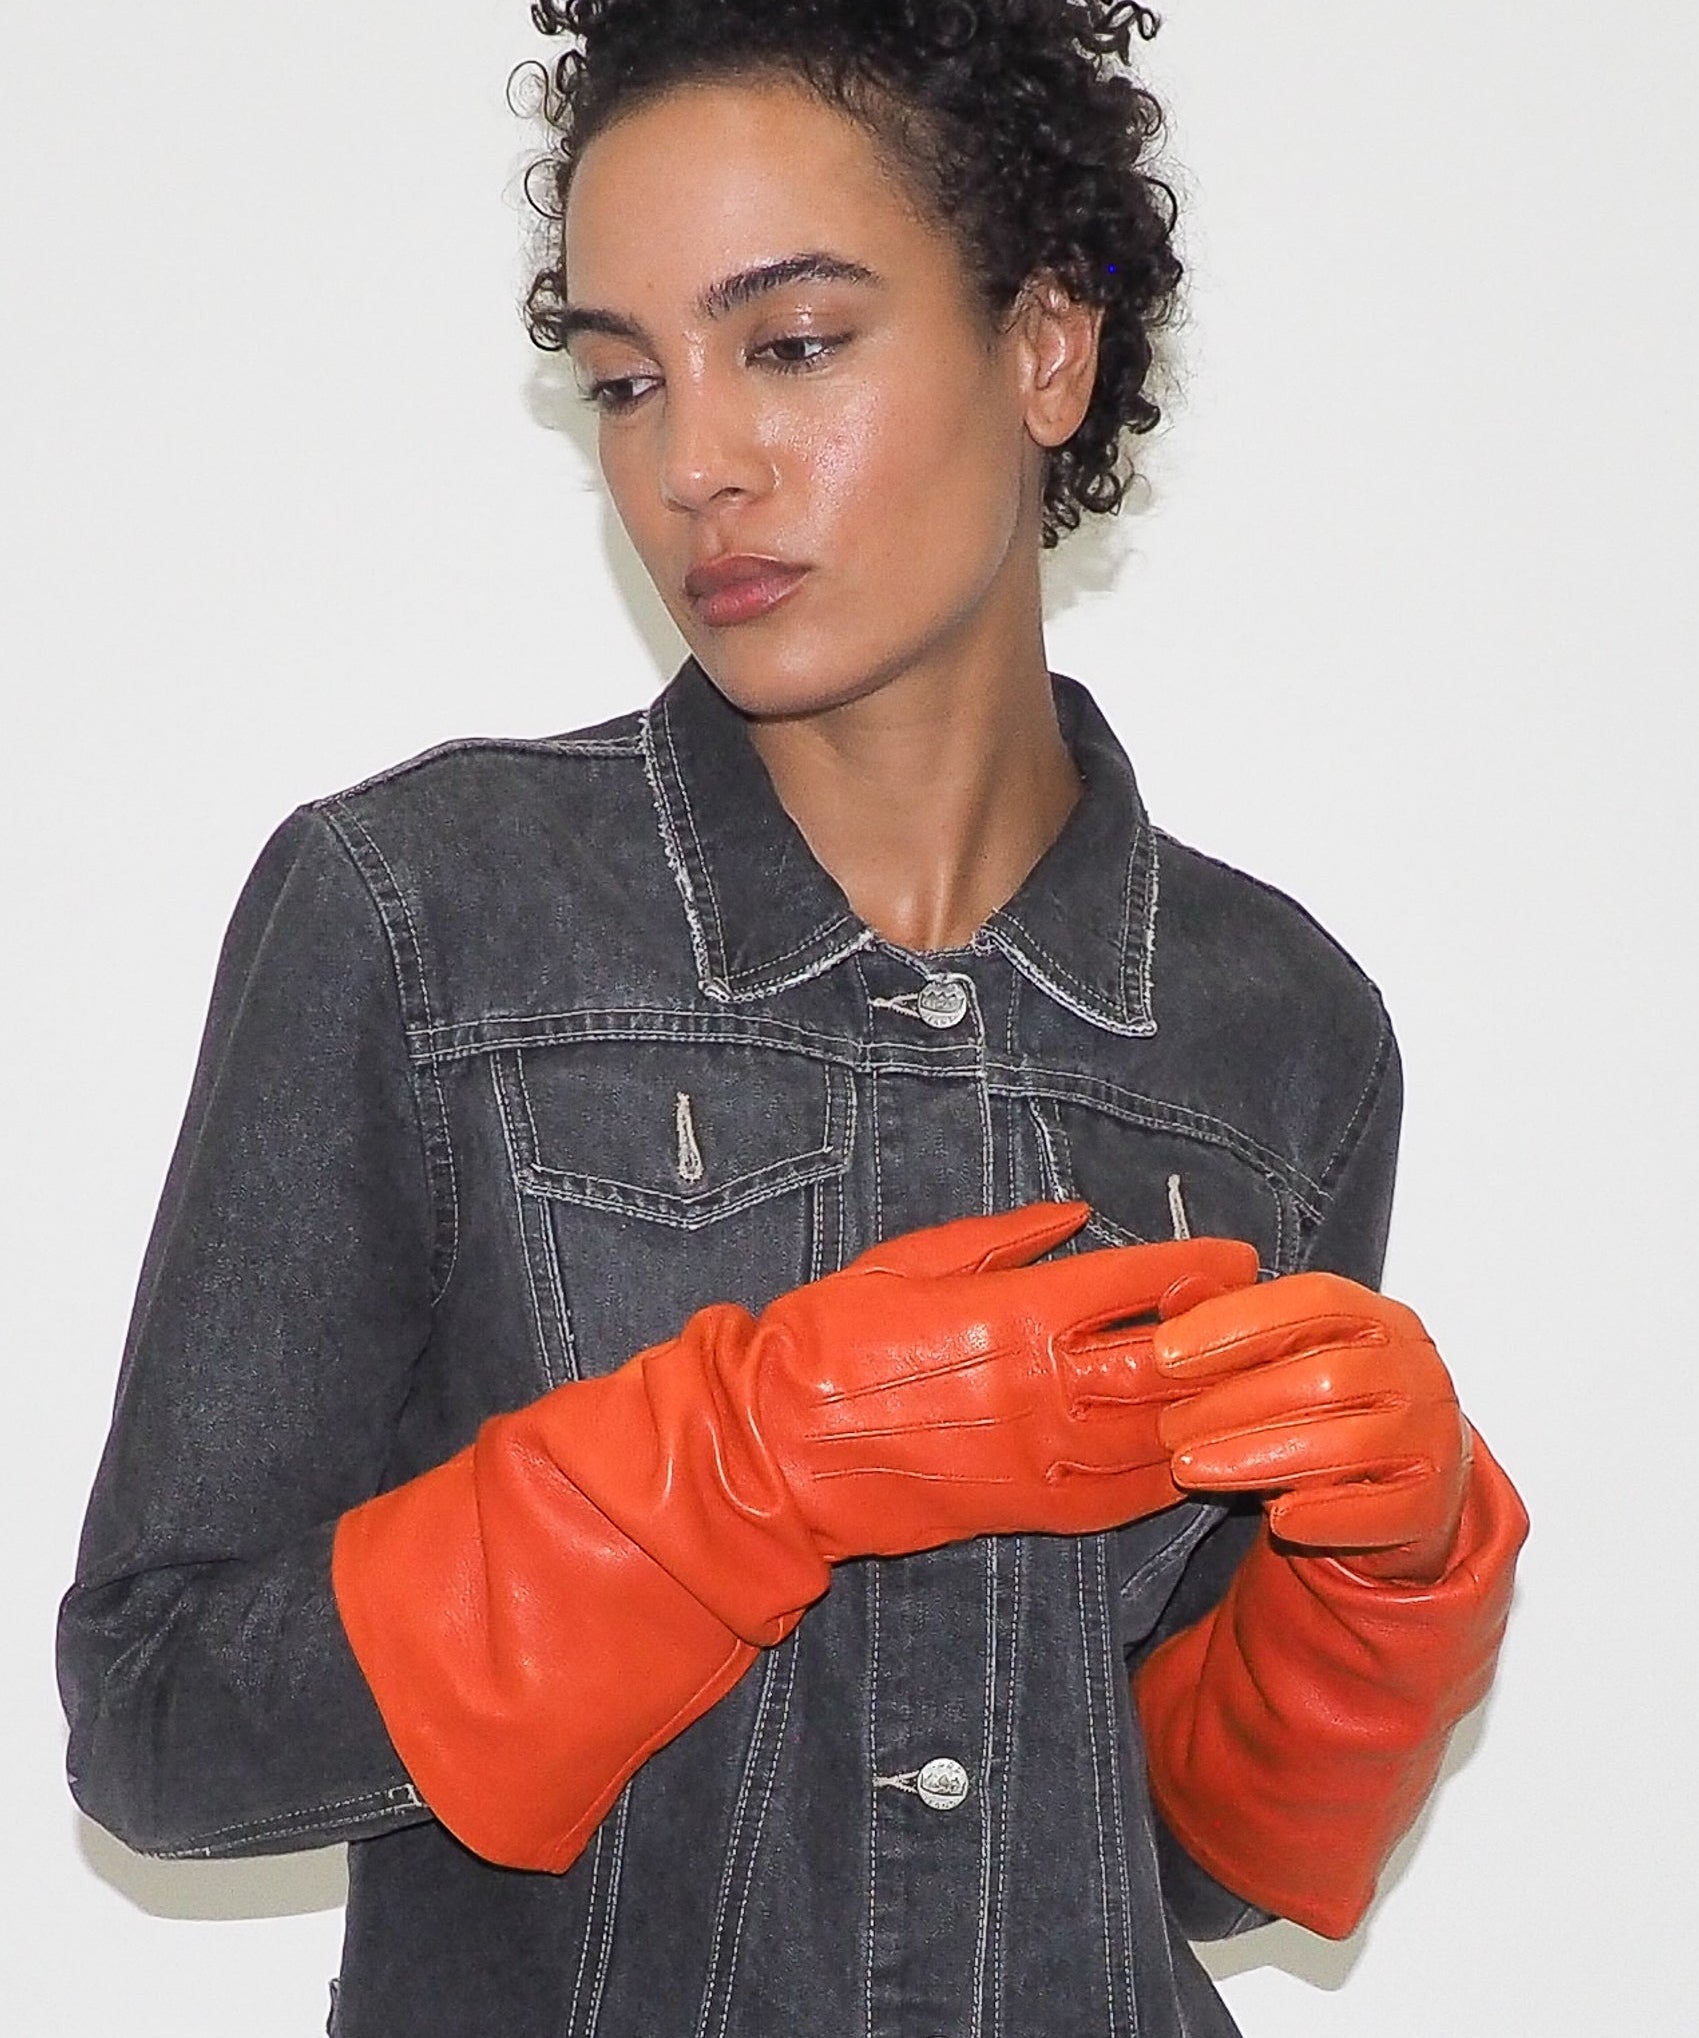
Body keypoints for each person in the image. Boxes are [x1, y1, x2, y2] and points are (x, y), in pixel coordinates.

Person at [57, 3, 1528, 2034]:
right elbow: (162, 1724)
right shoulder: (417, 912)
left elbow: (1168, 1851)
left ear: (1043, 345)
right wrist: (733, 1469)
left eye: (793, 342)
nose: (694, 464)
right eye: (625, 378)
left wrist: (1384, 1595)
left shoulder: (1278, 1031)